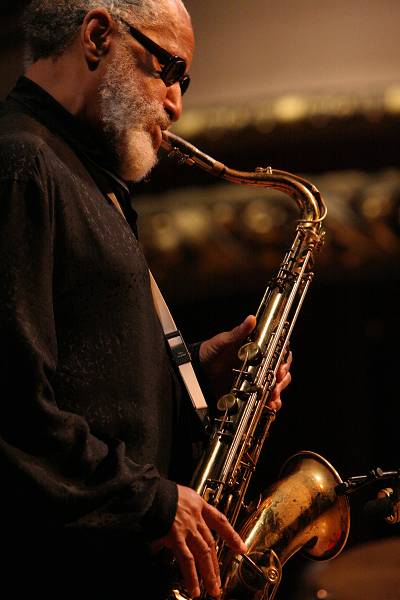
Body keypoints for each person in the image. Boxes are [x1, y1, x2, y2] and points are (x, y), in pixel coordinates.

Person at [0, 1, 292, 598]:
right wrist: (153, 503)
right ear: (99, 34)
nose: (176, 105)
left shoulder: (86, 179)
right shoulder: (24, 164)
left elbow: (86, 383)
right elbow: (10, 404)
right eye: (169, 68)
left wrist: (194, 378)